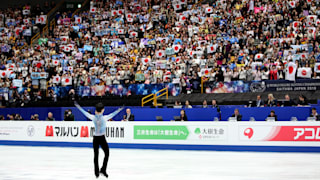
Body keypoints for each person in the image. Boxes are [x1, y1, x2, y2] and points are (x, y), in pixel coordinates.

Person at [75, 102, 123, 178]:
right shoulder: (104, 118)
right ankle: (102, 170)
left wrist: (78, 107)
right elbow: (113, 114)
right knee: (106, 153)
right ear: (102, 110)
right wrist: (120, 109)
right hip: (101, 138)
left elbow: (84, 112)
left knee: (96, 155)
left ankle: (97, 172)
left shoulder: (93, 117)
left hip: (96, 138)